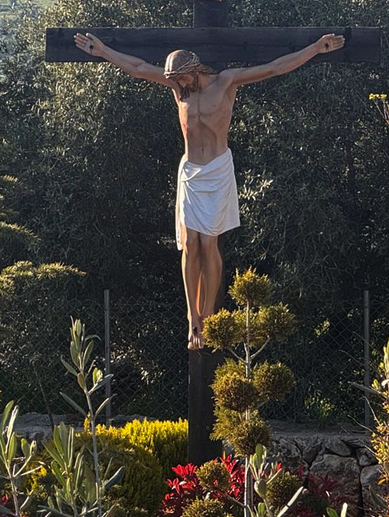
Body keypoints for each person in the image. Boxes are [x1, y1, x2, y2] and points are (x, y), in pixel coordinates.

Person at [74, 31, 345, 349]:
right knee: (190, 244)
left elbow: (274, 67)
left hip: (217, 171)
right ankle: (193, 318)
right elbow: (138, 67)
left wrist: (315, 48)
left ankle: (210, 315)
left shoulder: (226, 82)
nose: (179, 84)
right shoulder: (178, 90)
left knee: (208, 243)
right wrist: (104, 50)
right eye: (175, 79)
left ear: (195, 69)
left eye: (182, 77)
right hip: (190, 172)